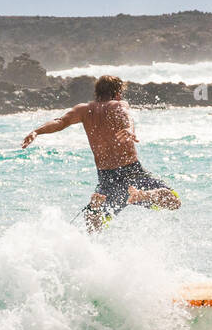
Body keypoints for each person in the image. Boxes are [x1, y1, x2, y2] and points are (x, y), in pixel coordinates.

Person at [20, 75, 181, 231]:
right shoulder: (118, 104)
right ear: (117, 92)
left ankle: (96, 208)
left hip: (106, 178)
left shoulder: (83, 110)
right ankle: (142, 195)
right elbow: (126, 116)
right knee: (174, 201)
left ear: (97, 92)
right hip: (132, 172)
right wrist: (128, 129)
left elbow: (60, 122)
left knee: (93, 228)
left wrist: (36, 131)